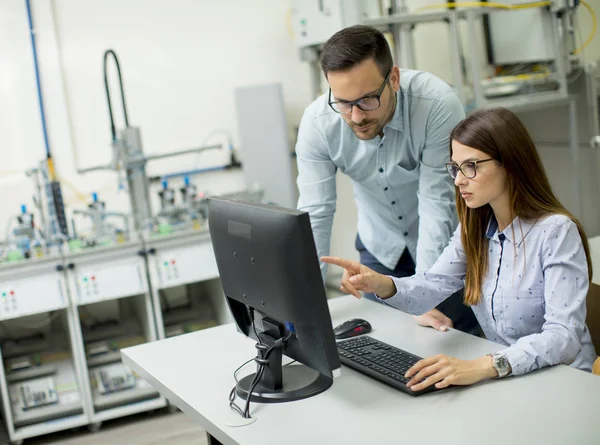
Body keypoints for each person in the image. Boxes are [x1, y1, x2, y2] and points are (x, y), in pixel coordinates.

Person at [322, 107, 597, 392]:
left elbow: (563, 338)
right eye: (455, 167)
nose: (458, 180)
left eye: (471, 166)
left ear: (510, 163)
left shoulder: (556, 232)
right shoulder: (474, 230)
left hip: (566, 385)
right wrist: (381, 283)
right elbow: (432, 285)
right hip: (511, 381)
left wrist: (484, 365)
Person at [295, 24, 480, 335]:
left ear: (393, 79)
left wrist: (422, 296)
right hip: (380, 250)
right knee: (387, 346)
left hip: (445, 251)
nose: (355, 116)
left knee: (458, 345)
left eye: (367, 100)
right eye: (342, 102)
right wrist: (304, 302)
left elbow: (436, 202)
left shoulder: (436, 104)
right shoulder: (318, 124)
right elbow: (315, 214)